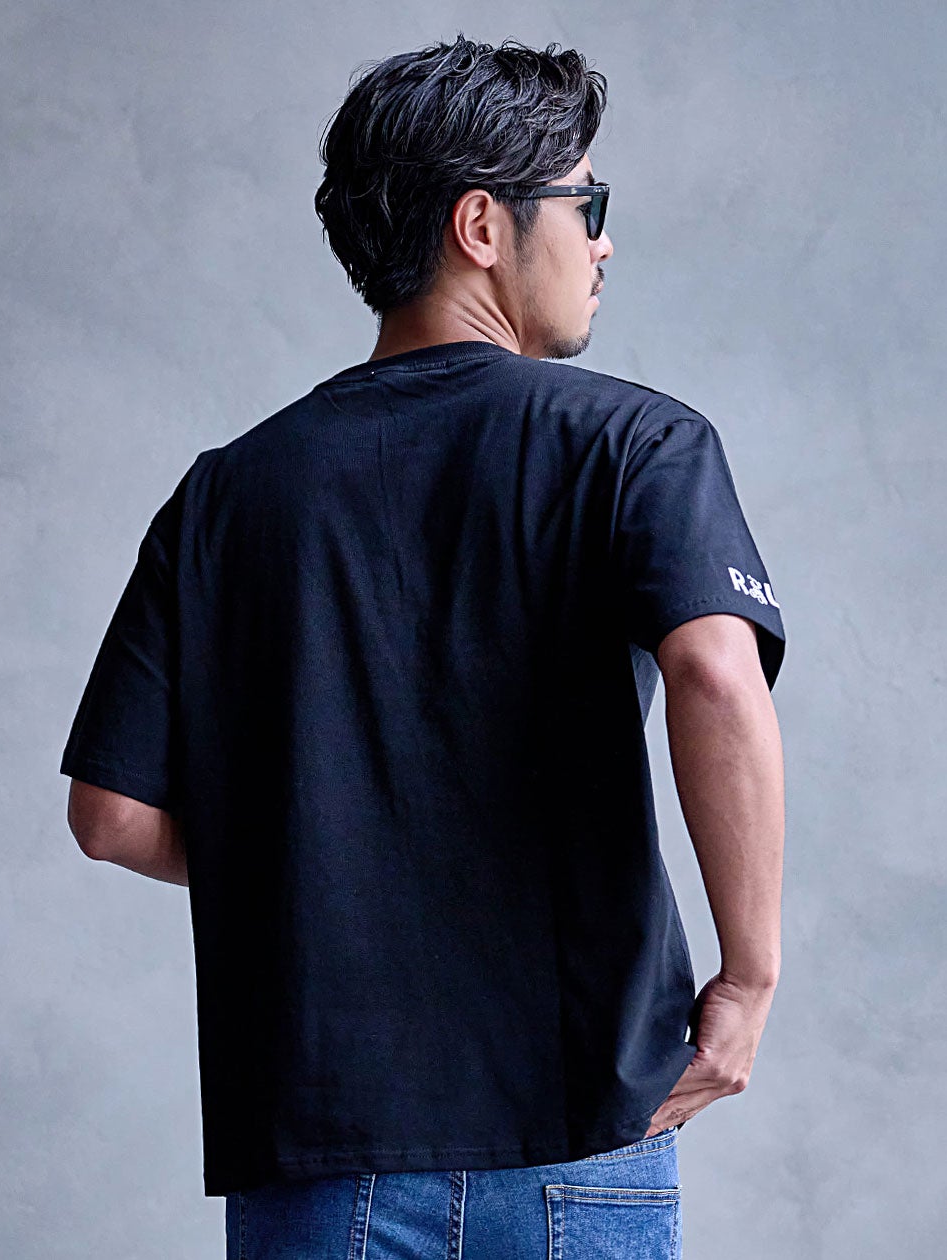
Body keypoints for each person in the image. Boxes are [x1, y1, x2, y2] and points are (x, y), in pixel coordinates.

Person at [60, 34, 785, 1260]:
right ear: (482, 225)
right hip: (579, 1136)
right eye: (587, 203)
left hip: (320, 1148)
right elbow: (716, 671)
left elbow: (110, 816)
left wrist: (326, 862)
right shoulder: (639, 445)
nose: (604, 243)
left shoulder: (226, 495)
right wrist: (749, 980)